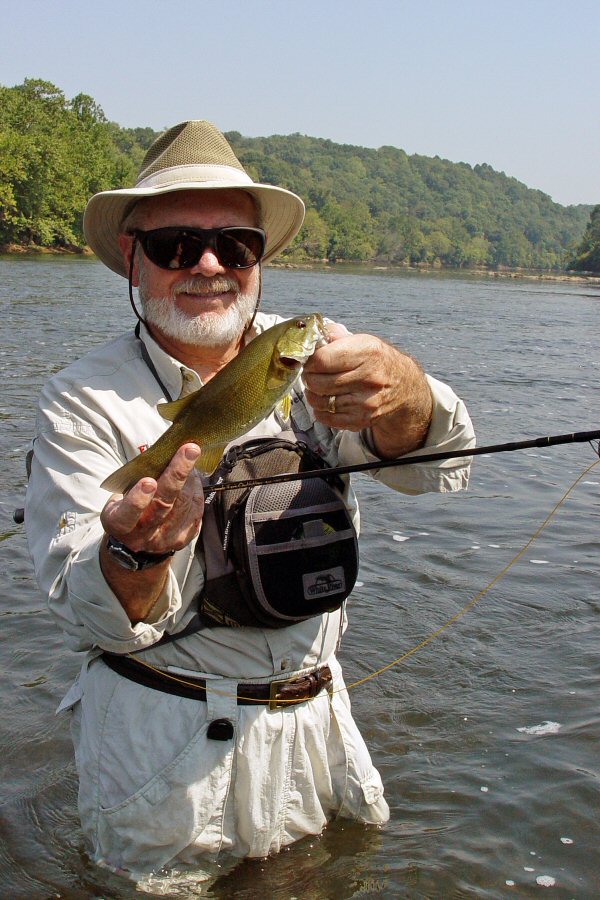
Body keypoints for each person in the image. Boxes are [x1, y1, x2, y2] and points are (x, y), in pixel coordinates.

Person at [25, 120, 475, 880]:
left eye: (235, 246)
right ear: (131, 256)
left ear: (258, 259)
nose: (209, 265)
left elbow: (436, 468)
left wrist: (405, 393)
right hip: (160, 752)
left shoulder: (314, 356)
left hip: (317, 731)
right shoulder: (80, 401)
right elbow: (87, 614)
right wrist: (136, 551)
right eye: (175, 246)